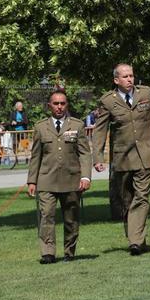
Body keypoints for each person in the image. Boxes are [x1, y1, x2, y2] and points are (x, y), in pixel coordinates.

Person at [92, 63, 150, 256]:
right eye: (125, 76)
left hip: (145, 154)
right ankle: (137, 238)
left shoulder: (145, 93)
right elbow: (99, 130)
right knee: (127, 201)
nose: (130, 79)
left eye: (131, 75)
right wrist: (97, 157)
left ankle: (135, 242)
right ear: (116, 80)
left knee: (141, 197)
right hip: (122, 157)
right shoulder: (108, 101)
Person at [27, 91, 91, 263]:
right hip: (46, 180)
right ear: (49, 106)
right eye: (56, 103)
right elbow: (36, 156)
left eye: (62, 103)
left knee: (71, 218)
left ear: (67, 105)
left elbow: (85, 154)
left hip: (71, 180)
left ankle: (69, 251)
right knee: (46, 215)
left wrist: (86, 177)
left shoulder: (77, 125)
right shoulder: (41, 127)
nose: (59, 107)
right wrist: (32, 181)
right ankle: (47, 253)